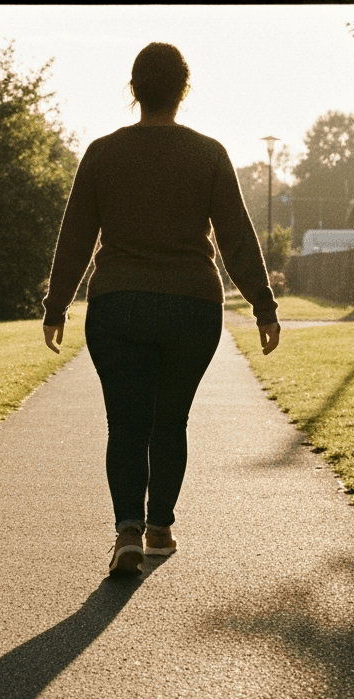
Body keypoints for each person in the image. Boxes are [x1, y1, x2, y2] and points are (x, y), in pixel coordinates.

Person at [41, 42, 281, 576]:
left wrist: (56, 306)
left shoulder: (103, 152)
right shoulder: (209, 153)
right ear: (183, 91)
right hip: (192, 307)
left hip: (119, 303)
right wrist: (264, 307)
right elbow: (237, 237)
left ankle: (128, 529)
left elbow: (76, 237)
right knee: (170, 421)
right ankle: (160, 526)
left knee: (126, 422)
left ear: (134, 90)